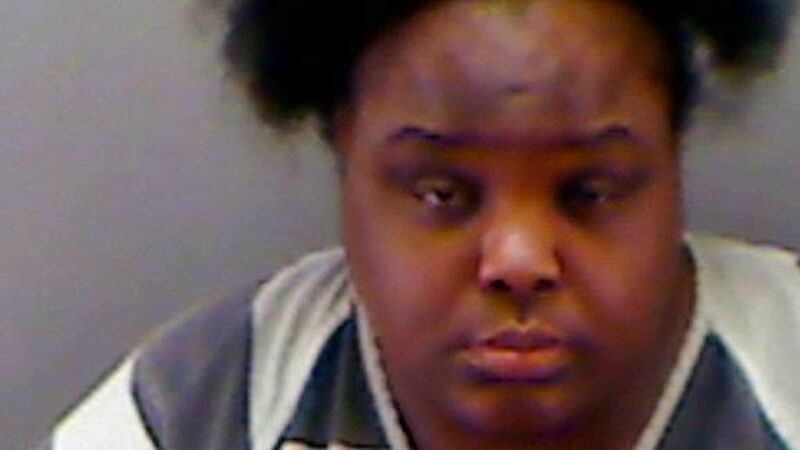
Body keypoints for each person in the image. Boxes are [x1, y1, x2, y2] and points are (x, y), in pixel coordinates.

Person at [42, 0, 799, 449]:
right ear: (345, 150)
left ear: (672, 156)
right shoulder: (200, 411)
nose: (519, 260)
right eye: (443, 194)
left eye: (588, 191)